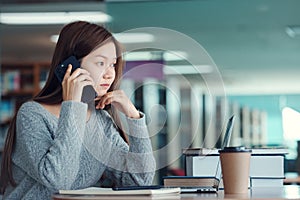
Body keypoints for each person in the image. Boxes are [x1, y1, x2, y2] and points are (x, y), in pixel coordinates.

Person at [0, 21, 156, 199]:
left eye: (112, 64)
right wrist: (73, 105)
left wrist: (133, 116)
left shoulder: (101, 120)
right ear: (71, 66)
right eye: (100, 63)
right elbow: (59, 180)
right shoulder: (32, 114)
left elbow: (139, 181)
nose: (109, 73)